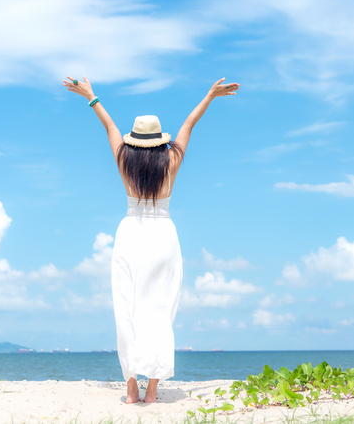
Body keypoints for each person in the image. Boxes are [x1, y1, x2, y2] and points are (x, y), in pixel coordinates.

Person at [62, 75, 240, 403]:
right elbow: (189, 123)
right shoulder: (171, 162)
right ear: (160, 141)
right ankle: (153, 389)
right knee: (160, 310)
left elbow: (109, 125)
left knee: (126, 310)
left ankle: (131, 388)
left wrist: (90, 96)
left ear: (134, 141)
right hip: (162, 235)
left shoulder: (123, 161)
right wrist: (210, 95)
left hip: (130, 233)